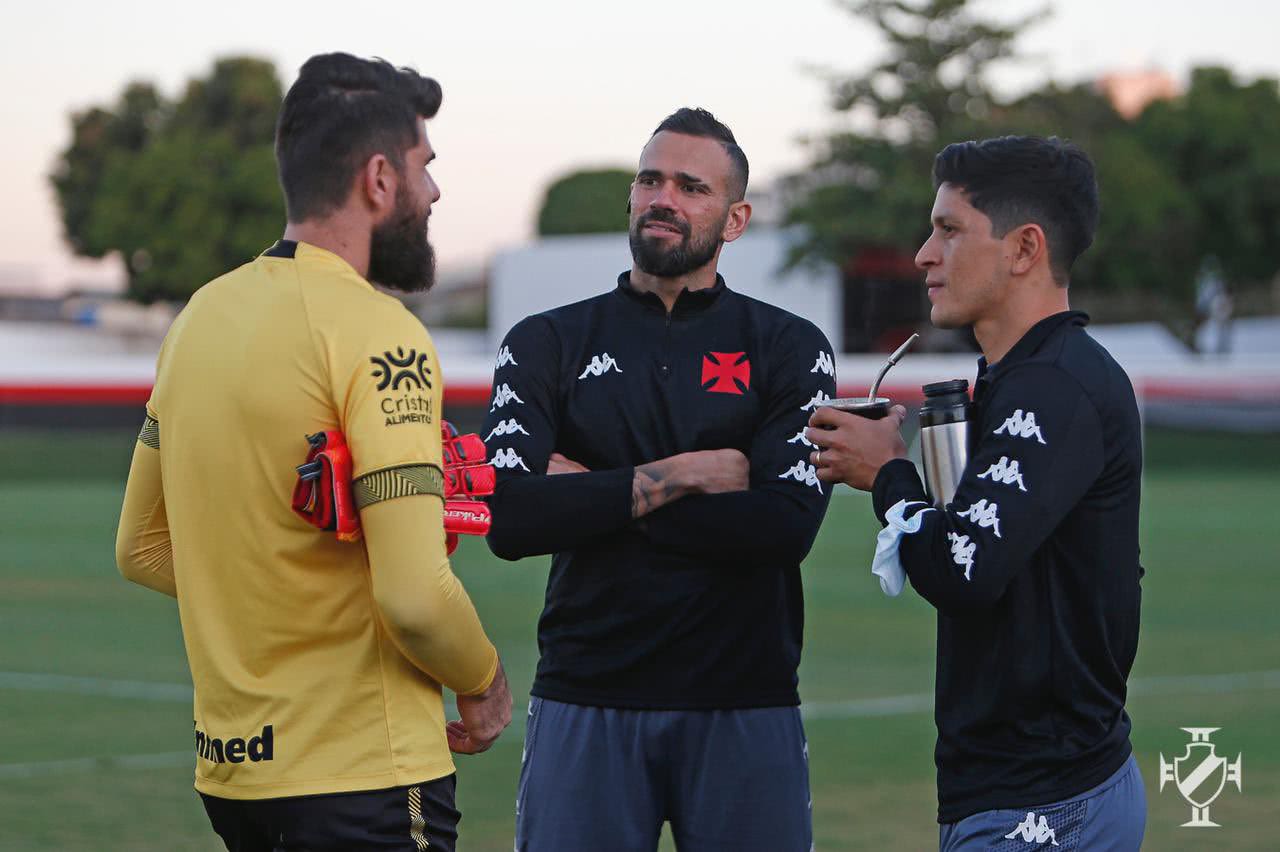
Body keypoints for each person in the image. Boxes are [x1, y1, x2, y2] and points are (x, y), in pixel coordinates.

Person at [115, 53, 511, 852]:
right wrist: (485, 682)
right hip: (364, 776)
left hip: (233, 779)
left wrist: (281, 587)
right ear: (377, 179)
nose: (433, 192)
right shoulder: (381, 333)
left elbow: (143, 548)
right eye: (423, 168)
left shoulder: (198, 319)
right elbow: (415, 597)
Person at [481, 107, 836, 851]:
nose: (662, 198)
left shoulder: (789, 348)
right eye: (649, 179)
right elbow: (510, 520)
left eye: (690, 186)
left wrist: (591, 491)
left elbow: (782, 529)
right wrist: (682, 476)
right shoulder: (546, 341)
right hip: (587, 694)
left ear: (734, 219)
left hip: (745, 700)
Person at [806, 136, 1145, 850]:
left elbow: (964, 568)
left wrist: (888, 475)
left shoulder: (1053, 386)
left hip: (1044, 805)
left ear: (1024, 249)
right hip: (1046, 791)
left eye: (949, 229)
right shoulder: (1020, 377)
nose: (925, 253)